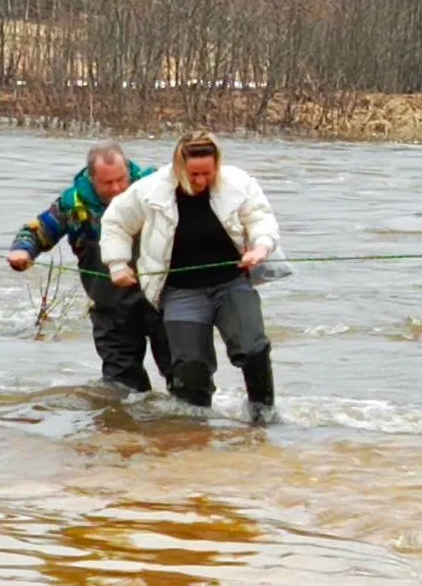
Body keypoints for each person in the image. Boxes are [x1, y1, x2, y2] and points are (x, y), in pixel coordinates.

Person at [99, 131, 287, 424]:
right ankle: (193, 433)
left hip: (231, 283)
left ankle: (264, 416)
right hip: (180, 291)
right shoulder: (151, 190)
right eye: (193, 173)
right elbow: (115, 222)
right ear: (178, 167)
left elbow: (260, 218)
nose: (200, 180)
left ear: (217, 166)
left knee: (252, 349)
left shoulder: (238, 183)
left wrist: (260, 247)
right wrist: (118, 264)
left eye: (206, 173)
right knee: (190, 367)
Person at [7, 141, 172, 393]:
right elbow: (37, 231)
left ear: (128, 169)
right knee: (122, 388)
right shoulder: (73, 202)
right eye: (107, 183)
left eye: (121, 179)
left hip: (165, 301)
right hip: (112, 308)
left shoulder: (157, 188)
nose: (116, 188)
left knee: (184, 375)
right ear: (91, 178)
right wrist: (22, 250)